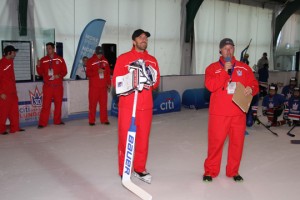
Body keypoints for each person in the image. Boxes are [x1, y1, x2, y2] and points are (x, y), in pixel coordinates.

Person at [203, 38, 258, 182]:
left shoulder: (244, 68)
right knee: (215, 144)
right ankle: (210, 171)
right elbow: (210, 86)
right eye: (225, 48)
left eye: (231, 48)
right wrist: (224, 72)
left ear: (234, 49)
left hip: (238, 113)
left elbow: (254, 84)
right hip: (219, 114)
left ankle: (233, 171)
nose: (228, 50)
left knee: (237, 144)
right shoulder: (212, 68)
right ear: (220, 50)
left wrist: (250, 89)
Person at [112, 29, 160, 183]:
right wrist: (132, 80)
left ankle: (139, 169)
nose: (144, 39)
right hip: (128, 106)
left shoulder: (152, 60)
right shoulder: (124, 58)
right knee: (125, 139)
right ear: (134, 41)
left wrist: (149, 80)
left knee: (143, 139)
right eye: (140, 37)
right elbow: (116, 83)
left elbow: (156, 83)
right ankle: (124, 170)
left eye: (146, 37)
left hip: (145, 107)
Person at [36, 42, 68, 128]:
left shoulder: (60, 59)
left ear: (53, 49)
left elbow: (65, 71)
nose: (48, 50)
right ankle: (42, 123)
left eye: (49, 48)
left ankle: (57, 121)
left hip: (58, 86)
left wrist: (59, 75)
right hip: (48, 86)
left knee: (58, 105)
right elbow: (40, 73)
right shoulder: (43, 60)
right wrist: (38, 66)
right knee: (46, 105)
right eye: (47, 48)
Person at [0, 45, 25, 135]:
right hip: (4, 93)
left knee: (14, 111)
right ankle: (1, 129)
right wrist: (1, 93)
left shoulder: (11, 62)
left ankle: (15, 127)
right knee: (3, 112)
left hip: (12, 92)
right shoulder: (1, 63)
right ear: (9, 53)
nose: (15, 53)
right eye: (14, 52)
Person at [86, 46, 111, 126]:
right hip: (94, 87)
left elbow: (107, 74)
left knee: (104, 104)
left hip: (103, 87)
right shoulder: (90, 61)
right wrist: (97, 71)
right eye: (98, 54)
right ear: (95, 52)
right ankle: (91, 120)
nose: (100, 55)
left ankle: (104, 119)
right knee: (92, 105)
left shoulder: (105, 61)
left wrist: (109, 84)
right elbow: (88, 73)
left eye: (101, 54)